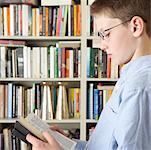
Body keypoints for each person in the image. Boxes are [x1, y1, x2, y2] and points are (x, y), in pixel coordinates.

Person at [26, 0, 151, 149]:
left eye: (106, 34)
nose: (103, 45)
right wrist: (70, 144)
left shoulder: (138, 88)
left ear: (135, 26)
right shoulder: (131, 78)